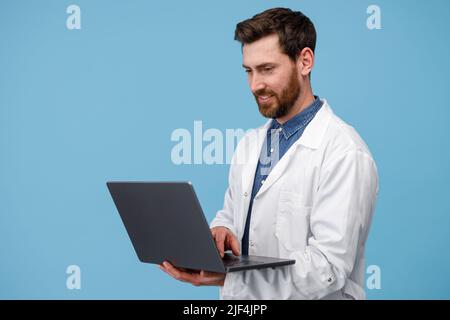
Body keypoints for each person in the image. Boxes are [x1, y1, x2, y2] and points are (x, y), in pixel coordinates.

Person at [159, 7, 378, 300]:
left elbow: (328, 267)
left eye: (267, 69)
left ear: (305, 61)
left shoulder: (344, 152)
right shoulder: (250, 144)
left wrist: (229, 278)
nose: (255, 85)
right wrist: (221, 228)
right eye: (248, 71)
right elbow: (234, 212)